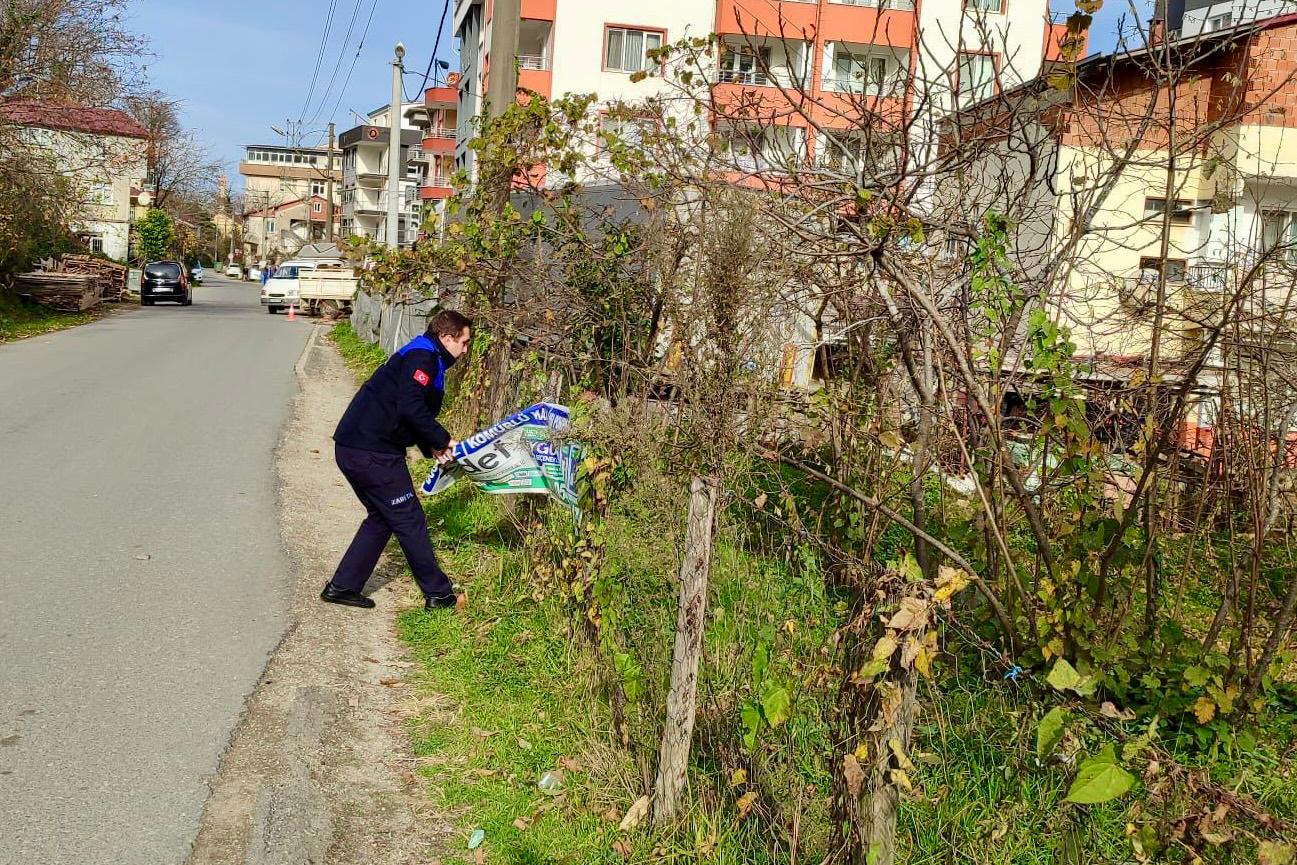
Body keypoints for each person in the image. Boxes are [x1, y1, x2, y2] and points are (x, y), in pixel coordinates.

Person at [321, 309, 474, 611]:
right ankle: (439, 594)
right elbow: (410, 406)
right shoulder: (424, 358)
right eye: (464, 343)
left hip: (355, 446)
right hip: (372, 452)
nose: (466, 350)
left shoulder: (424, 352)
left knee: (383, 516)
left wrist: (430, 445)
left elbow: (405, 410)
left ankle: (343, 586)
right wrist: (443, 440)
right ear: (446, 337)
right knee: (409, 518)